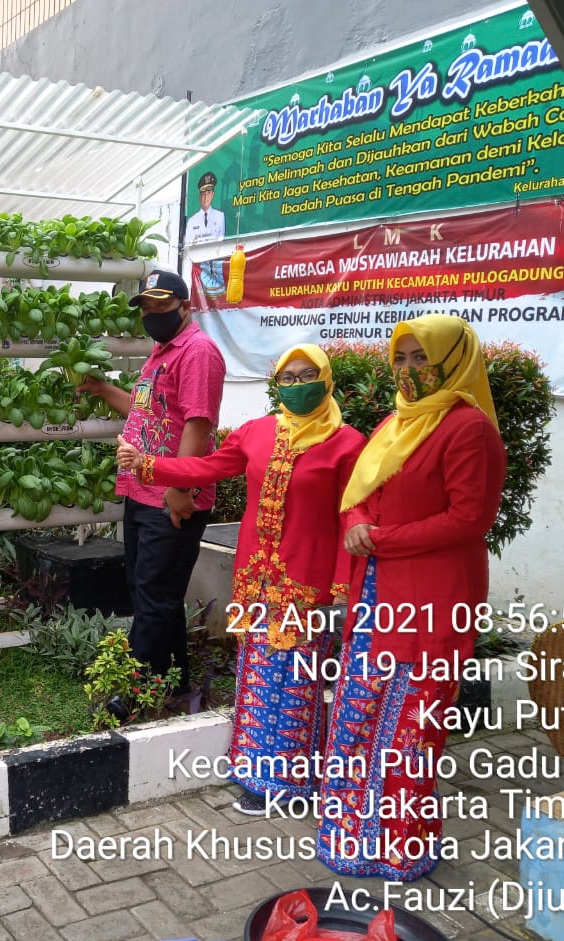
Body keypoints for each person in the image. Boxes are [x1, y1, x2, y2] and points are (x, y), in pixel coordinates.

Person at [116, 343, 365, 814]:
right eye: (286, 378)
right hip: (256, 578)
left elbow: (352, 515)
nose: (295, 385)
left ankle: (291, 785)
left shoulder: (349, 444)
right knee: (256, 677)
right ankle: (254, 772)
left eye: (306, 375)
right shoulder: (257, 432)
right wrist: (149, 466)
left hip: (305, 583)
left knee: (295, 683)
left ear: (326, 380)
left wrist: (342, 585)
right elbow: (208, 467)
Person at [317, 313, 506, 881]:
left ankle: (402, 847)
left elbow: (471, 517)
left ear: (453, 361)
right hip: (376, 593)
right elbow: (360, 489)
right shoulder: (396, 422)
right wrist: (355, 522)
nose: (406, 369)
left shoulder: (469, 429)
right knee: (359, 716)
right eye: (400, 358)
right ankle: (350, 838)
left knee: (409, 729)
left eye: (420, 357)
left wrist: (381, 539)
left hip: (431, 600)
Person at [79, 269, 225, 691]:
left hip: (171, 495)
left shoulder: (197, 352)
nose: (152, 314)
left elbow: (198, 425)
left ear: (185, 306)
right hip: (143, 490)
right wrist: (104, 389)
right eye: (146, 307)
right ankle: (172, 680)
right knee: (153, 594)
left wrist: (181, 488)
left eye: (161, 306)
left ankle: (134, 689)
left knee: (154, 595)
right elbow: (149, 414)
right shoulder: (160, 352)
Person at [184, 171, 225, 246]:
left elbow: (221, 243)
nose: (206, 197)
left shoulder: (220, 216)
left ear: (212, 195)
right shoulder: (191, 221)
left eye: (208, 193)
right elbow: (188, 246)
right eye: (203, 194)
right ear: (200, 197)